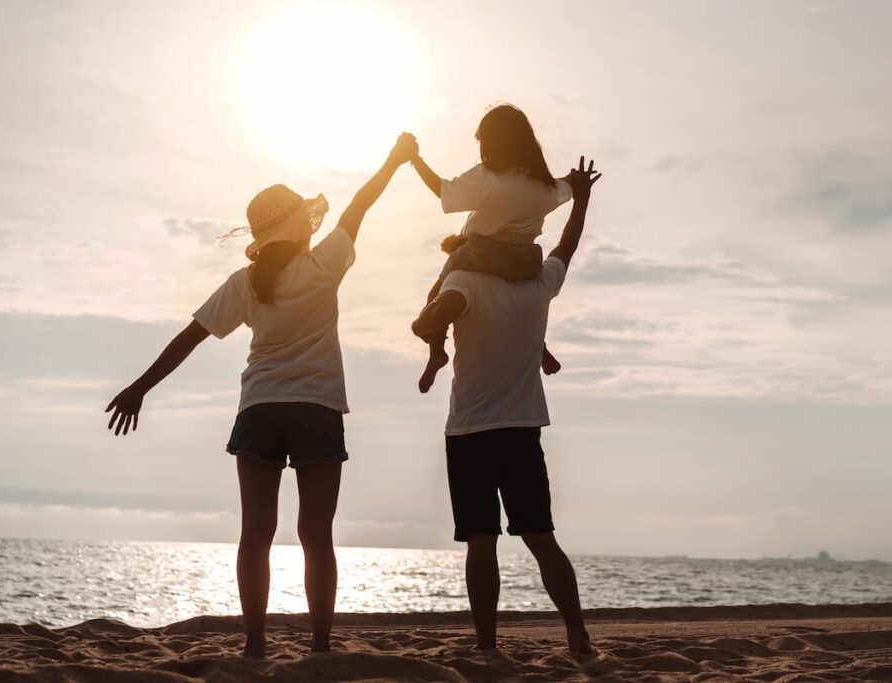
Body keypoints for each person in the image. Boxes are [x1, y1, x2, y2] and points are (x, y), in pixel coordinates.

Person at [105, 133, 419, 658]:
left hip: (260, 410)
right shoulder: (325, 264)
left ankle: (254, 645)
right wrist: (395, 160)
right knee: (316, 535)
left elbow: (190, 338)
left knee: (256, 533)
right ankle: (319, 646)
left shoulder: (246, 282)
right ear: (300, 227)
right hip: (316, 409)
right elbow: (362, 202)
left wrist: (140, 388)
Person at [412, 157, 602, 654]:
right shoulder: (539, 287)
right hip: (521, 430)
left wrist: (428, 326)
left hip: (470, 432)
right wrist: (580, 201)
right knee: (541, 538)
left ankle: (487, 648)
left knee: (481, 543)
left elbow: (430, 318)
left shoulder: (464, 283)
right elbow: (567, 246)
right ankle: (579, 639)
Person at [409, 104, 573, 393]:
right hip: (525, 262)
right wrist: (578, 182)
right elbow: (564, 189)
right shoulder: (542, 185)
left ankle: (436, 347)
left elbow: (444, 191)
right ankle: (541, 349)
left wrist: (415, 159)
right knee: (525, 301)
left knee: (437, 292)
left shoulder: (488, 175)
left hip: (480, 253)